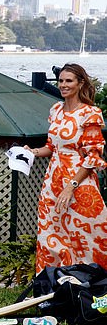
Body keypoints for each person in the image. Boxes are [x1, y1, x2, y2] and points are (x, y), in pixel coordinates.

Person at [24, 63, 107, 273]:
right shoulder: (55, 110)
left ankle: (91, 286)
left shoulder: (90, 113)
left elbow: (93, 156)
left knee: (85, 235)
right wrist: (32, 152)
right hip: (53, 181)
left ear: (80, 84)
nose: (63, 85)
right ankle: (53, 287)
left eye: (68, 81)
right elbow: (52, 147)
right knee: (50, 233)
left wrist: (71, 185)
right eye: (61, 81)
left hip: (79, 181)